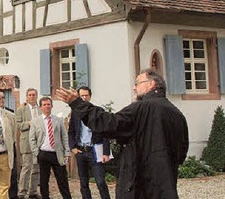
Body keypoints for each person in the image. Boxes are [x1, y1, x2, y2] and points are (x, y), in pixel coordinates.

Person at [56, 68, 189, 199]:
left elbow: (109, 123)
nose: (134, 88)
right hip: (166, 186)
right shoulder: (177, 114)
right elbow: (182, 152)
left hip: (140, 185)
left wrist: (77, 103)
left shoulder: (142, 108)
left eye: (137, 83)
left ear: (151, 84)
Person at [68, 87, 111, 199]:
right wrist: (72, 147)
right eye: (81, 96)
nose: (84, 98)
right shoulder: (75, 112)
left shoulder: (97, 111)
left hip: (95, 151)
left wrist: (106, 152)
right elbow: (71, 130)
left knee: (100, 181)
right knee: (83, 183)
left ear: (90, 96)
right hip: (81, 151)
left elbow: (105, 132)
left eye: (86, 95)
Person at [29, 97, 71, 199]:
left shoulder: (58, 120)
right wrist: (37, 153)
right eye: (44, 105)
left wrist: (67, 152)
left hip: (57, 154)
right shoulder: (35, 121)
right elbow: (32, 139)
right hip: (43, 154)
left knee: (62, 180)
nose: (47, 106)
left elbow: (64, 136)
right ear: (41, 107)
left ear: (52, 106)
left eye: (48, 104)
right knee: (43, 181)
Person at [15, 88, 41, 199]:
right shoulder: (21, 110)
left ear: (36, 96)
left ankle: (33, 191)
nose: (32, 97)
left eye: (34, 95)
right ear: (26, 96)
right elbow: (18, 125)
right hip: (27, 142)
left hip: (39, 142)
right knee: (26, 168)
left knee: (36, 168)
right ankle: (22, 192)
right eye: (29, 95)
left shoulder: (41, 109)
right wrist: (29, 124)